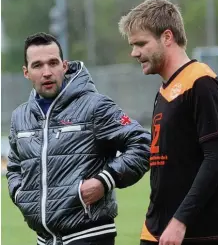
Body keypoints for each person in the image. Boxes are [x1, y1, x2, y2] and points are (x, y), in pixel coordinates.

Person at [6, 32, 151, 245]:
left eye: (53, 63)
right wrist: (21, 195)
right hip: (44, 240)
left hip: (89, 237)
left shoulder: (94, 106)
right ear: (26, 72)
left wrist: (104, 181)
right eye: (37, 66)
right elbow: (15, 167)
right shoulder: (20, 117)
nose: (47, 72)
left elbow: (143, 144)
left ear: (64, 66)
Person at [118, 0, 218, 245]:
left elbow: (217, 160)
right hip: (156, 230)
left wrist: (180, 221)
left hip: (194, 234)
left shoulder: (201, 82)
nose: (134, 52)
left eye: (141, 43)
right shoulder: (164, 91)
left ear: (167, 37)